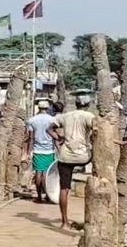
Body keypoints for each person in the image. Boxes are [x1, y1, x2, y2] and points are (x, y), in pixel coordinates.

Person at [47, 95, 95, 229]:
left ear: (76, 104)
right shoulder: (89, 116)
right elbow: (97, 131)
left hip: (65, 156)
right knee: (96, 167)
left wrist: (59, 138)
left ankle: (64, 222)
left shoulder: (65, 116)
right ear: (87, 105)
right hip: (83, 157)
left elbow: (49, 129)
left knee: (64, 189)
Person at [25, 100, 56, 203]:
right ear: (47, 108)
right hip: (50, 150)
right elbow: (55, 135)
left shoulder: (32, 120)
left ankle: (39, 196)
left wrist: (28, 152)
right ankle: (48, 195)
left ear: (38, 108)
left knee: (38, 172)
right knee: (47, 174)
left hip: (37, 150)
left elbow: (31, 138)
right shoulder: (52, 120)